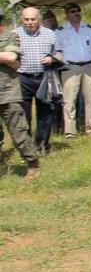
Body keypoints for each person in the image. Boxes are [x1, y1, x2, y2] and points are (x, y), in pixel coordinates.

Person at [14, 7, 62, 156]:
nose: (30, 22)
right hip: (23, 78)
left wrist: (51, 58)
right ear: (22, 19)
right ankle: (27, 149)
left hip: (44, 77)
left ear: (38, 19)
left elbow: (60, 54)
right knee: (24, 115)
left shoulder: (50, 34)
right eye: (26, 19)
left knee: (45, 114)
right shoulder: (15, 35)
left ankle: (42, 145)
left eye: (33, 19)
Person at [0, 9, 41, 179]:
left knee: (18, 132)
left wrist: (8, 59)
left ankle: (32, 163)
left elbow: (11, 57)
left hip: (7, 93)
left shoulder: (11, 36)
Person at [56, 3, 91, 138]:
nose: (76, 13)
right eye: (73, 11)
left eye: (78, 11)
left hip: (87, 66)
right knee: (69, 100)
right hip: (70, 67)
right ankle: (70, 131)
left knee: (90, 99)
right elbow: (57, 51)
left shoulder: (88, 29)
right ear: (67, 14)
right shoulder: (60, 31)